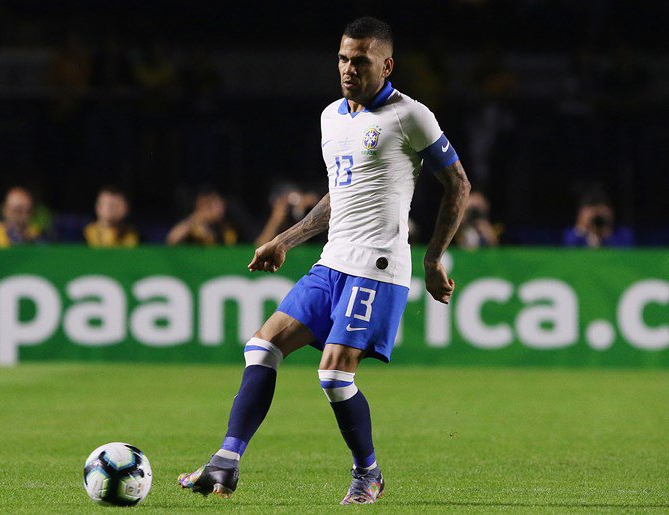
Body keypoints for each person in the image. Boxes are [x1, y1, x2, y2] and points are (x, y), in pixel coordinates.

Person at [177, 17, 470, 505]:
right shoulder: (331, 117)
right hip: (331, 261)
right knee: (262, 346)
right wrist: (286, 240)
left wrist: (434, 257)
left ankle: (368, 473)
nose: (348, 68)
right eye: (342, 58)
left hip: (377, 265)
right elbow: (339, 196)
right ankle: (226, 462)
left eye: (360, 60)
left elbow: (458, 183)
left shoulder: (410, 115)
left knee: (334, 375)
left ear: (387, 64)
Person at [564, 190, 633, 248]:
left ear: (611, 212)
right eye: (592, 209)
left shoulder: (623, 233)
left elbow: (626, 253)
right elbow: (568, 248)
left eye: (601, 209)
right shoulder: (572, 234)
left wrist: (607, 236)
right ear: (580, 214)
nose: (597, 215)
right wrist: (582, 229)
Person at [166, 190, 237, 246]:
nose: (220, 210)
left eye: (219, 204)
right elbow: (171, 240)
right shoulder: (192, 223)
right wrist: (195, 218)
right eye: (208, 205)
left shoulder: (226, 225)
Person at [254, 185, 320, 246]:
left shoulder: (304, 214)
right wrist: (275, 220)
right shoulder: (264, 218)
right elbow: (258, 246)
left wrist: (302, 213)